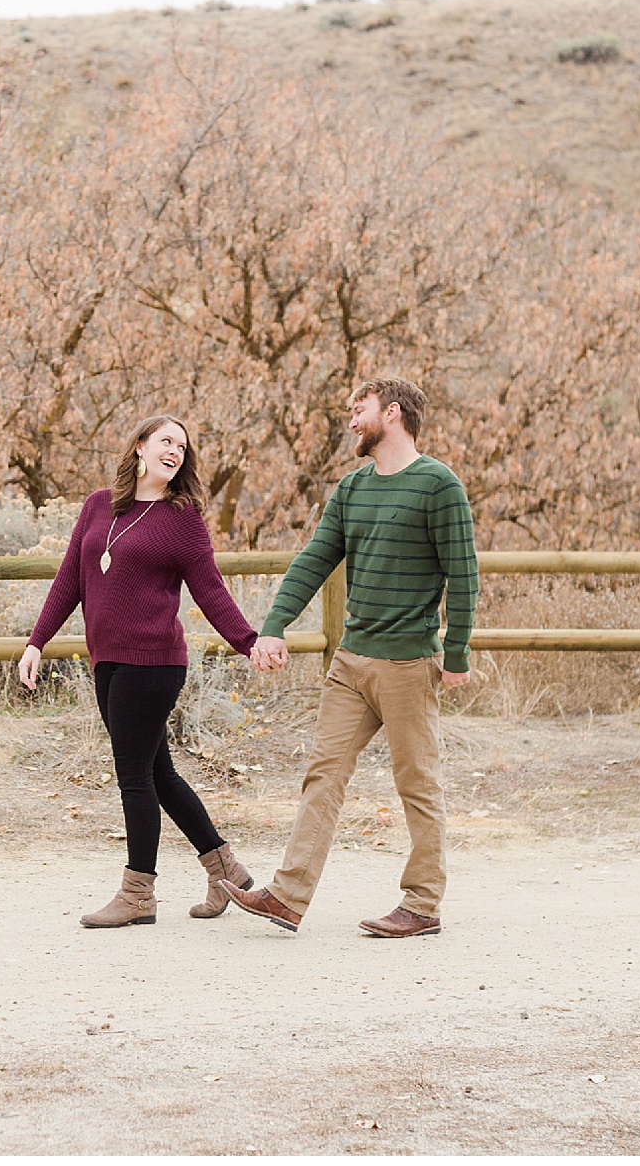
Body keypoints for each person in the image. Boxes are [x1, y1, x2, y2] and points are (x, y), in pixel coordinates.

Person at [222, 377, 477, 938]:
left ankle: (423, 904)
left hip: (409, 664)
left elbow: (463, 574)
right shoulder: (352, 487)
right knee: (323, 774)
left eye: (357, 409)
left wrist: (455, 652)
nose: (351, 420)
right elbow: (314, 560)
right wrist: (273, 626)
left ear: (392, 412)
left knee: (417, 782)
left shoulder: (439, 485)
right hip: (351, 663)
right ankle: (288, 896)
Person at [20, 415, 266, 928]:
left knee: (134, 778)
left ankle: (138, 895)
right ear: (140, 447)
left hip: (152, 664)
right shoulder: (98, 506)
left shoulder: (183, 518)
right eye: (165, 441)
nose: (175, 451)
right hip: (108, 662)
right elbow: (71, 577)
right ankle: (225, 868)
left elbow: (211, 590)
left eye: (182, 445)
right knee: (158, 773)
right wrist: (36, 641)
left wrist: (248, 641)